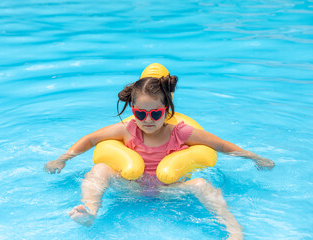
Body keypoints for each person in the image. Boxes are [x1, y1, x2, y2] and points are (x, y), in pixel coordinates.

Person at [44, 74, 274, 239]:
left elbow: (221, 145)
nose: (148, 119)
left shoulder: (180, 132)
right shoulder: (128, 129)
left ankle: (234, 230)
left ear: (167, 110)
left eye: (155, 113)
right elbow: (90, 139)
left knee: (202, 184)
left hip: (169, 190)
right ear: (133, 109)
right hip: (130, 187)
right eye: (140, 113)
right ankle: (90, 212)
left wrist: (255, 158)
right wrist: (62, 159)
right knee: (99, 169)